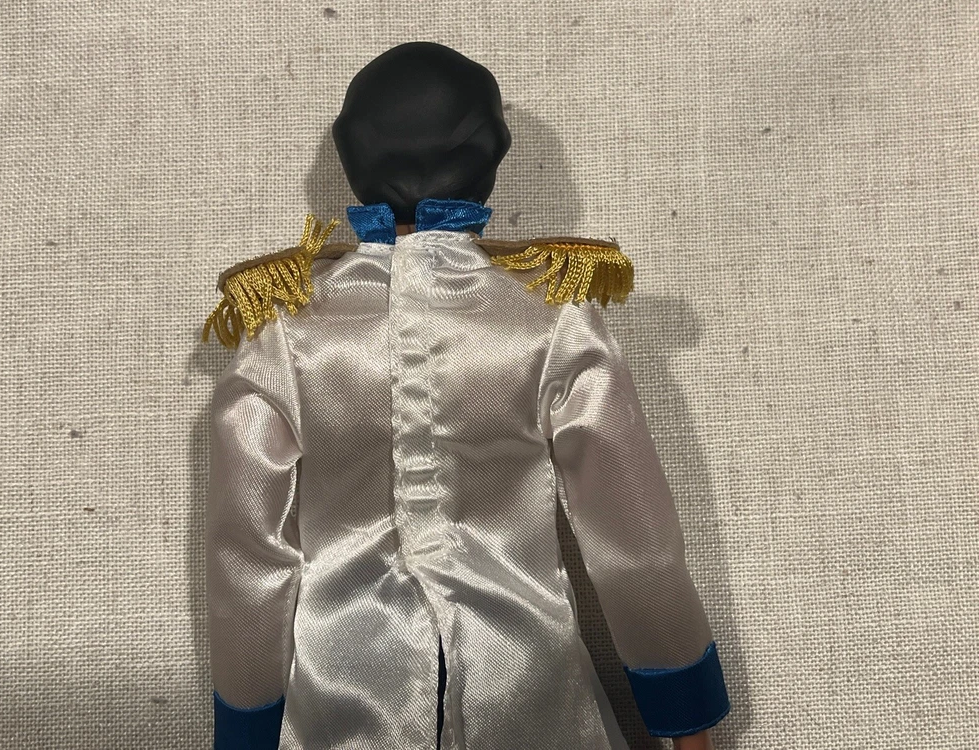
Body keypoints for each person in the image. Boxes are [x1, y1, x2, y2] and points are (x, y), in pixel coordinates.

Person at [203, 42, 729, 750]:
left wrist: (246, 726)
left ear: (352, 156)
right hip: (527, 683)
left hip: (344, 693)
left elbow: (247, 557)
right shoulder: (548, 316)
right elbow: (633, 536)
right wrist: (684, 710)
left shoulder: (285, 332)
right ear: (490, 154)